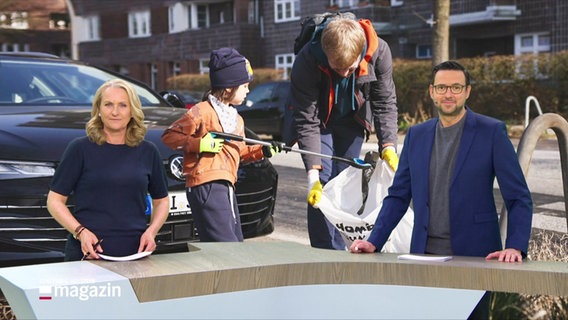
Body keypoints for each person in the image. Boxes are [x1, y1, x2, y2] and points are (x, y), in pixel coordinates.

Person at [350, 60, 533, 318]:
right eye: (442, 87)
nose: (449, 94)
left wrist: (515, 246)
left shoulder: (491, 132)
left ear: (467, 91)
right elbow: (398, 196)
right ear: (432, 91)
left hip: (476, 256)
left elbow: (519, 197)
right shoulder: (416, 135)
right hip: (424, 256)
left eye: (456, 87)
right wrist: (373, 241)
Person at [289, 16, 399, 250]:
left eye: (350, 68)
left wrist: (388, 145)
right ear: (326, 54)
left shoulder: (380, 52)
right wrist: (312, 177)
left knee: (345, 182)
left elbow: (384, 102)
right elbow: (306, 118)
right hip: (319, 121)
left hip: (353, 120)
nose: (344, 74)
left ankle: (342, 248)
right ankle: (323, 251)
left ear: (360, 54)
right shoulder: (306, 59)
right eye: (337, 68)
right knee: (325, 181)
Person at [161, 47, 281, 242]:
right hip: (207, 185)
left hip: (226, 185)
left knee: (233, 243)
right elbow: (169, 136)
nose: (248, 90)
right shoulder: (202, 111)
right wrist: (200, 144)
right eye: (244, 86)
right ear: (228, 87)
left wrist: (263, 150)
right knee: (228, 246)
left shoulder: (236, 119)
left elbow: (239, 152)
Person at [47, 79, 170, 261]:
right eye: (108, 105)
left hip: (136, 255)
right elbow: (54, 201)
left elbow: (162, 201)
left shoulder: (148, 151)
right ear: (98, 109)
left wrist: (151, 232)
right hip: (88, 256)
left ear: (132, 110)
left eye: (122, 105)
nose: (115, 112)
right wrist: (81, 232)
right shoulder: (79, 149)